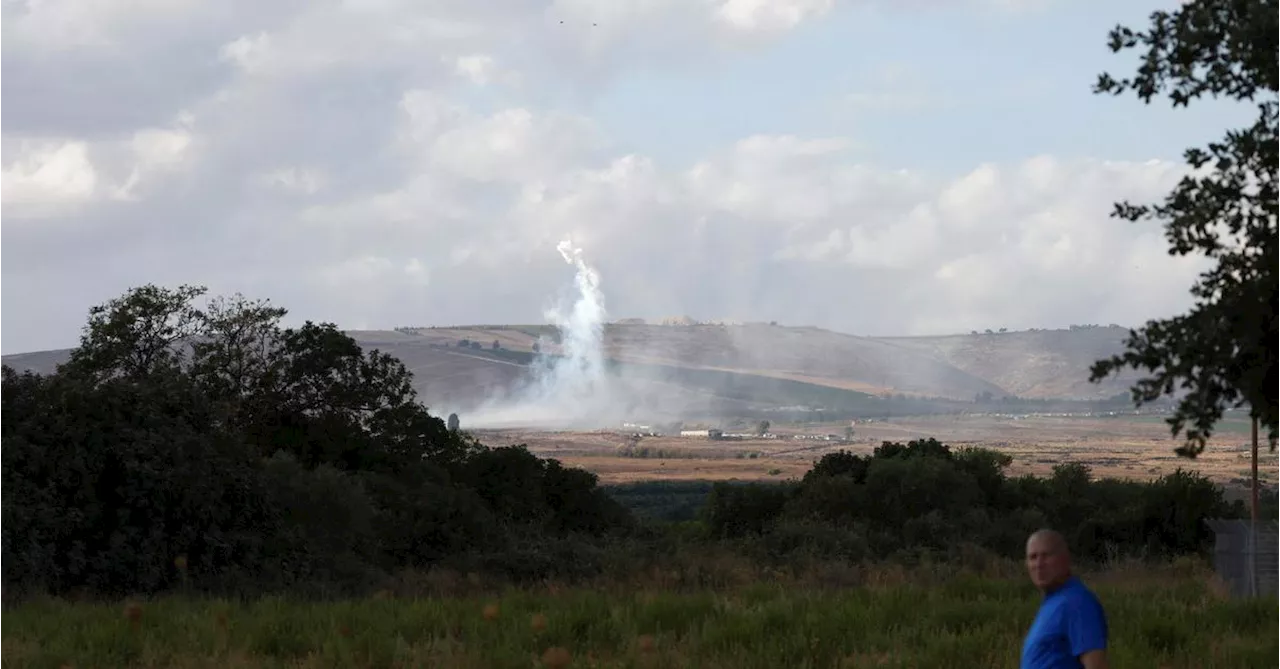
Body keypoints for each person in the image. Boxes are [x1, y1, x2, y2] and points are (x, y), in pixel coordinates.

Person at [1021, 529, 1109, 669]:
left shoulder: (1077, 603)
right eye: (1033, 557)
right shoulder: (1053, 602)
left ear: (1065, 559)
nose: (1039, 564)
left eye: (1046, 555)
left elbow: (1096, 665)